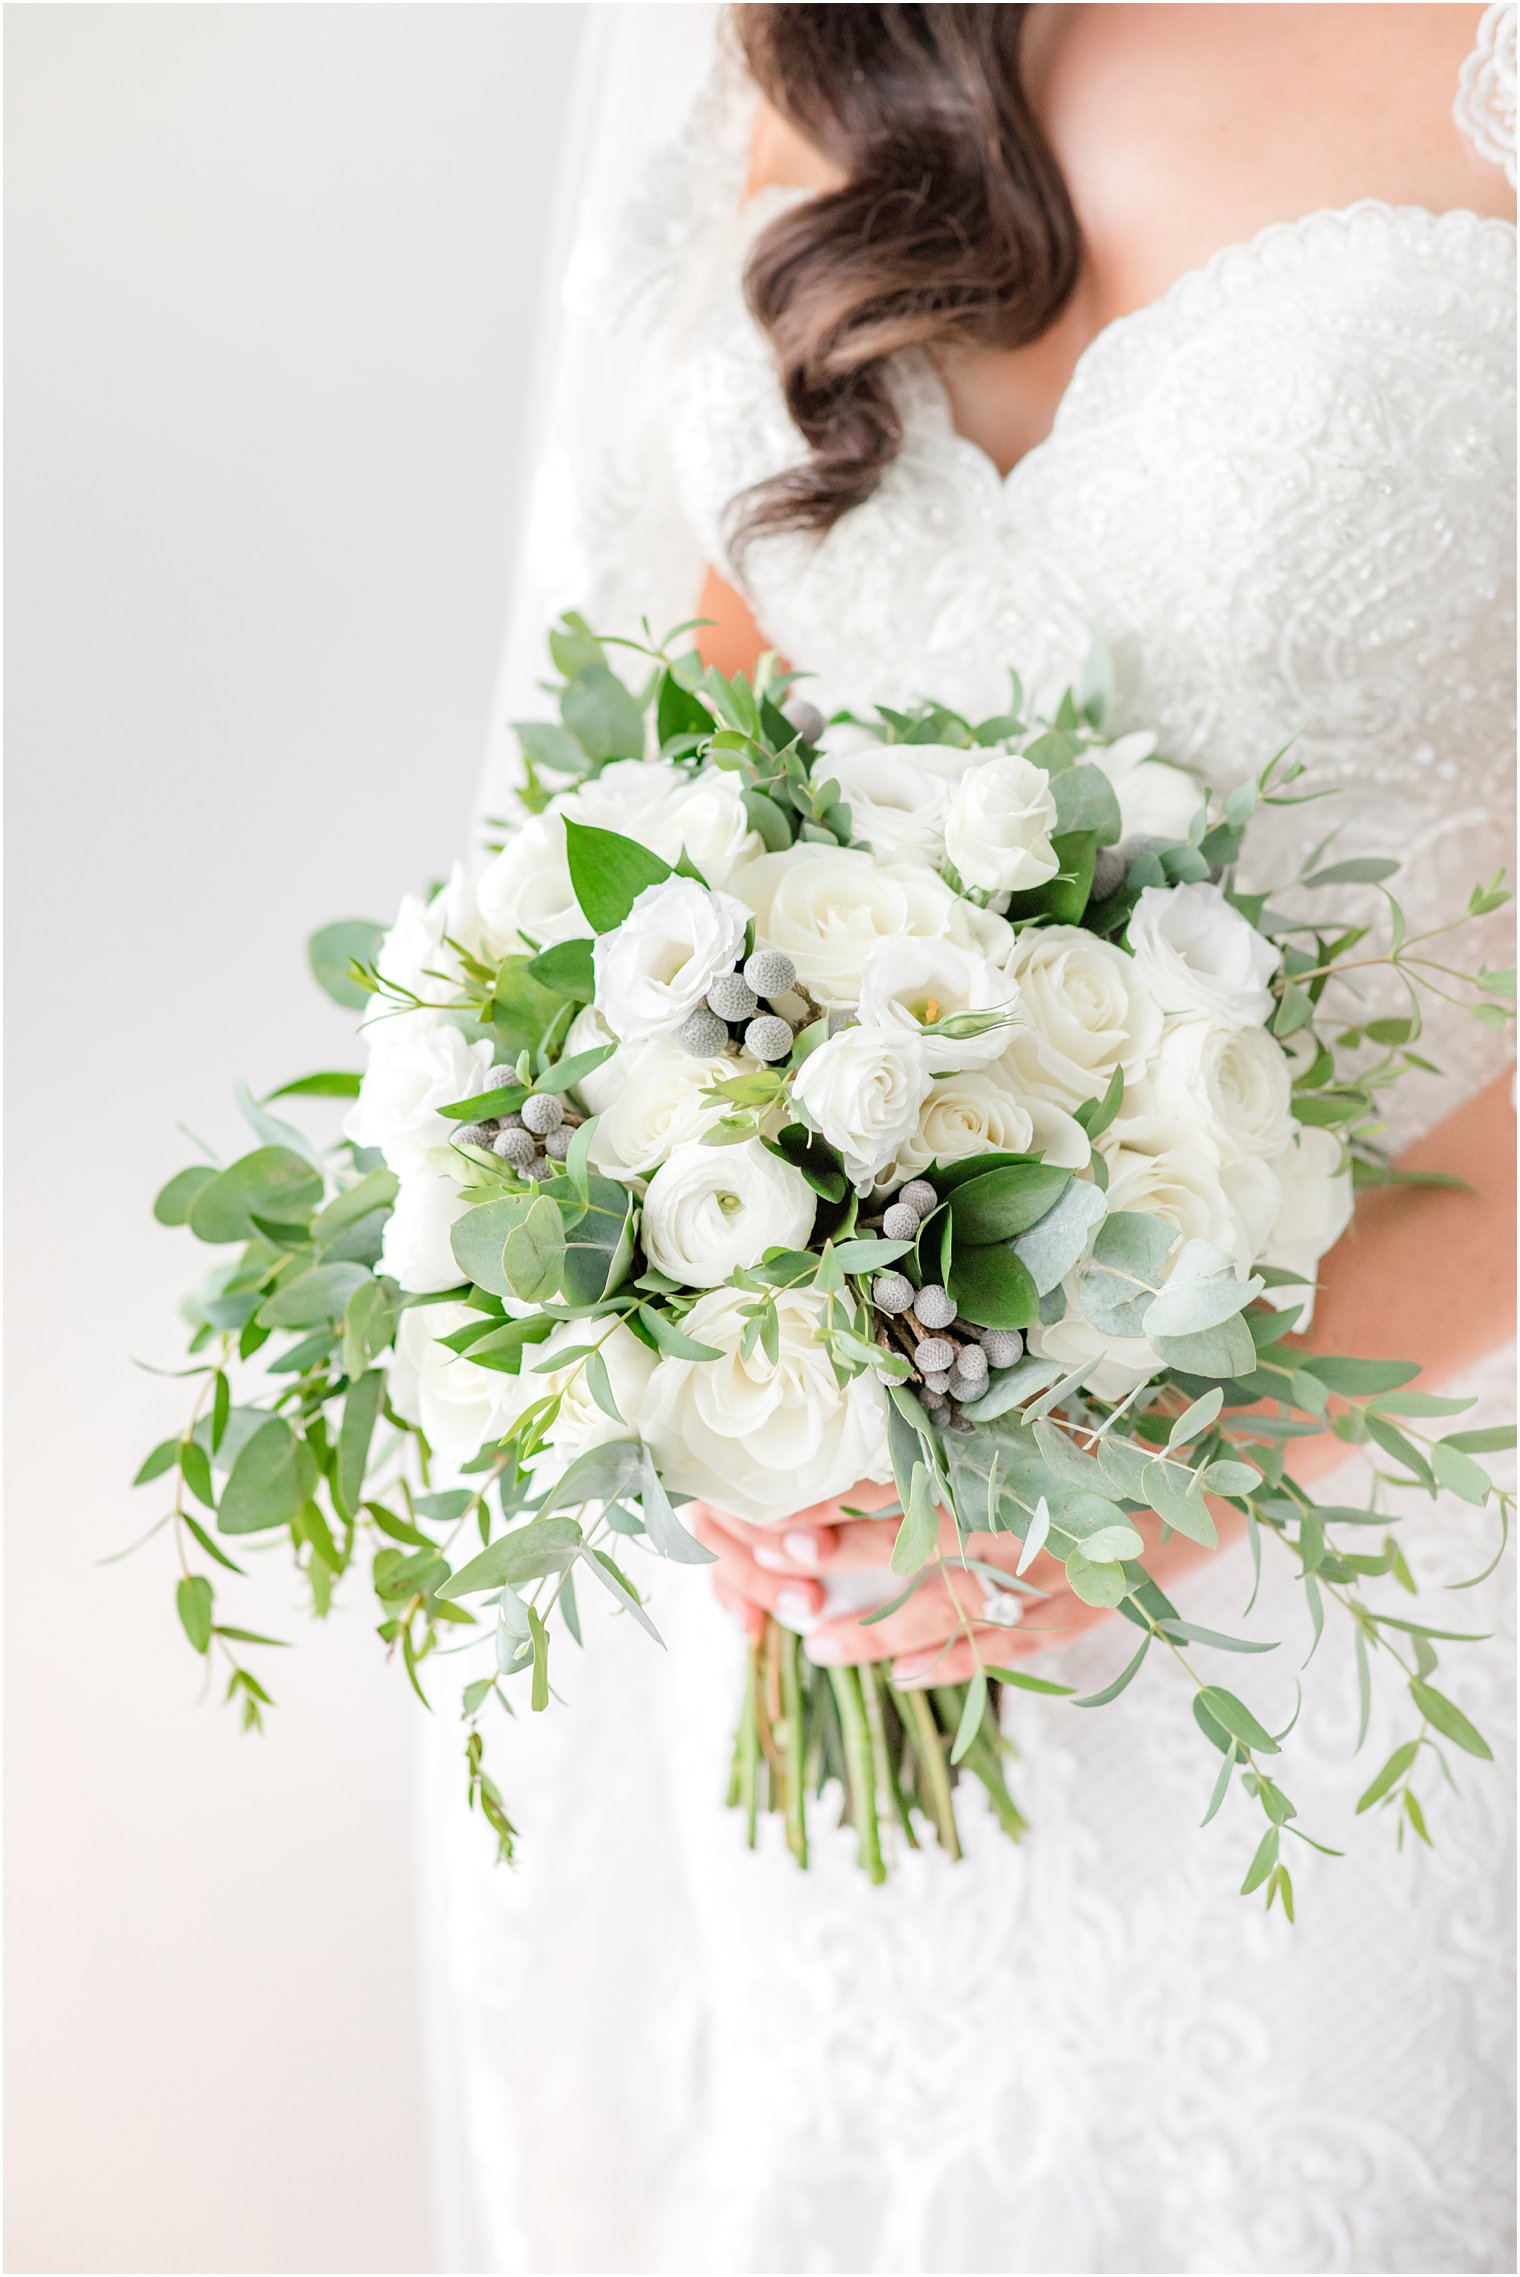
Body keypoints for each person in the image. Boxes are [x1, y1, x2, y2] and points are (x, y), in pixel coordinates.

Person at [426, 10, 1517, 2269]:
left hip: (1397, 1585)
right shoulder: (823, 27)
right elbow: (709, 751)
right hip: (870, 1616)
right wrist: (728, 1318)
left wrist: (1221, 1442)